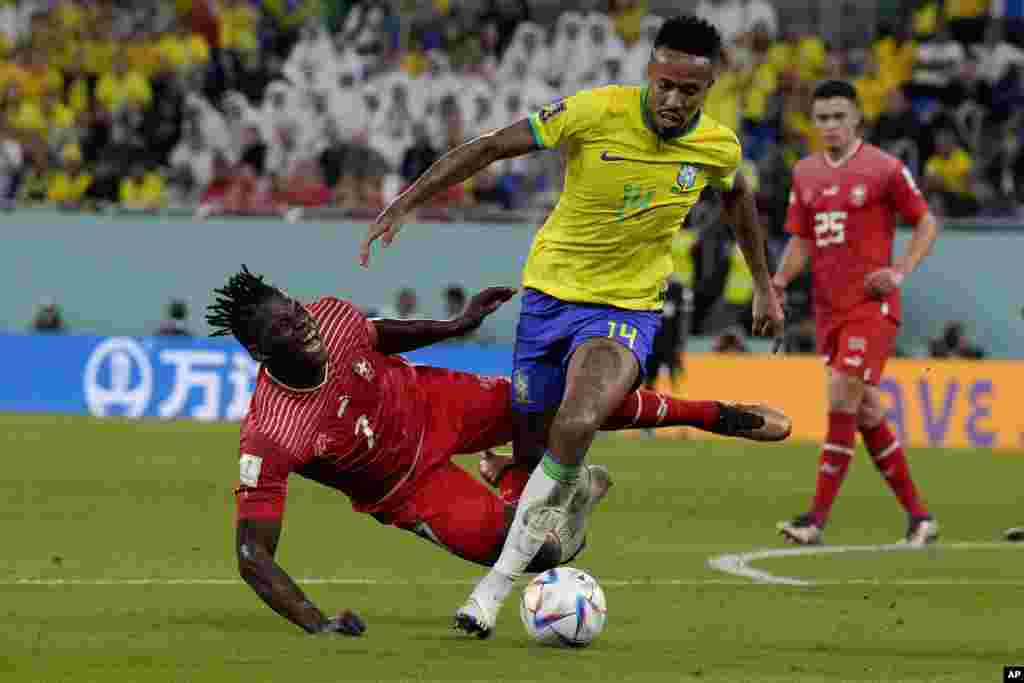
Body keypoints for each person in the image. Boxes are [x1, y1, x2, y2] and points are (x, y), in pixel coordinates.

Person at [359, 15, 785, 639]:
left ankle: (491, 592)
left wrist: (765, 285)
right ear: (650, 73)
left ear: (709, 87)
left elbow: (738, 199)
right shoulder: (592, 111)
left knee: (579, 419)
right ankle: (577, 487)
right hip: (548, 297)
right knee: (535, 457)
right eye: (664, 84)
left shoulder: (717, 146)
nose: (673, 99)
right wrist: (406, 201)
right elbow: (492, 146)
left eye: (689, 91)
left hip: (626, 307)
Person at [208, 266, 790, 636]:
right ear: (260, 352)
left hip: (436, 402)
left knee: (562, 403)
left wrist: (456, 324)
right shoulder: (271, 431)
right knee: (542, 553)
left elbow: (381, 333)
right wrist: (315, 623)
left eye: (296, 309)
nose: (303, 324)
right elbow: (252, 555)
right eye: (284, 328)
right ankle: (556, 487)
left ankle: (717, 415)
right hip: (407, 488)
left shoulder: (330, 315)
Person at [772, 80, 941, 548]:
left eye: (837, 117)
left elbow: (926, 221)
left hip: (871, 306)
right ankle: (920, 518)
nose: (829, 125)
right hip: (830, 311)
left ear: (856, 119)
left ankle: (815, 520)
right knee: (865, 409)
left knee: (843, 395)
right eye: (821, 118)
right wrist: (779, 282)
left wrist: (900, 271)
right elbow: (802, 239)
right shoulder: (805, 173)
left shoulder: (884, 168)